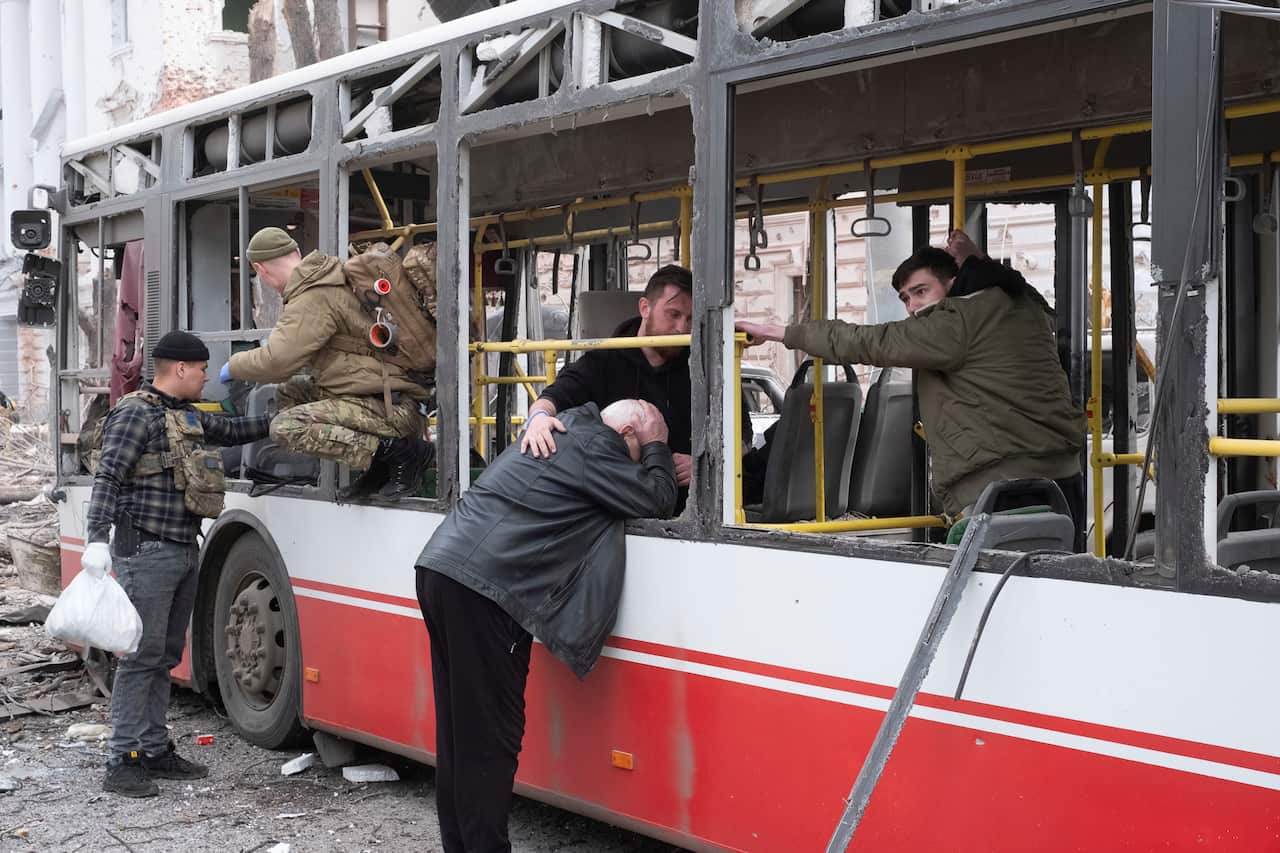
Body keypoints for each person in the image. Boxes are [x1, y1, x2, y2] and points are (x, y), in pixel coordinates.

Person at [415, 399, 677, 853]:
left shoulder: (566, 431)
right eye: (645, 444)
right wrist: (659, 451)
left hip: (441, 568)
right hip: (486, 590)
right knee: (491, 741)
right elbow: (656, 499)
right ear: (630, 432)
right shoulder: (598, 447)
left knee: (459, 735)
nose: (638, 459)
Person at [737, 230, 1086, 542]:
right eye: (906, 298)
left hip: (1004, 485)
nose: (913, 306)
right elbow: (1030, 294)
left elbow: (871, 342)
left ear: (952, 283)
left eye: (921, 291)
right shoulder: (1018, 306)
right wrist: (979, 260)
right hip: (1063, 475)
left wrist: (782, 332)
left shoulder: (956, 320)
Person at [83, 331, 271, 797]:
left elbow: (230, 431)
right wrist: (95, 541)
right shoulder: (134, 413)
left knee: (165, 656)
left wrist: (281, 423)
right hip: (145, 552)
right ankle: (122, 761)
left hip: (182, 548)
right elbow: (109, 475)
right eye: (203, 369)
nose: (208, 376)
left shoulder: (181, 414)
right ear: (180, 369)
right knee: (140, 659)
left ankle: (153, 749)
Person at [222, 227, 429, 499]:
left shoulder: (313, 295)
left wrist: (233, 366)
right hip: (387, 394)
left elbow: (278, 361)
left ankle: (400, 453)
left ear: (260, 269)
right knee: (290, 391)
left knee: (286, 427)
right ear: (296, 252)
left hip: (390, 406)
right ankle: (378, 463)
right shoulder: (330, 275)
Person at [520, 264, 750, 507]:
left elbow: (742, 436)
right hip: (615, 503)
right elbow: (554, 397)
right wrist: (539, 419)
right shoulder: (603, 360)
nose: (682, 328)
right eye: (673, 314)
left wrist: (705, 465)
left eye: (691, 318)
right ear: (645, 308)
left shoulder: (706, 367)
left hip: (692, 509)